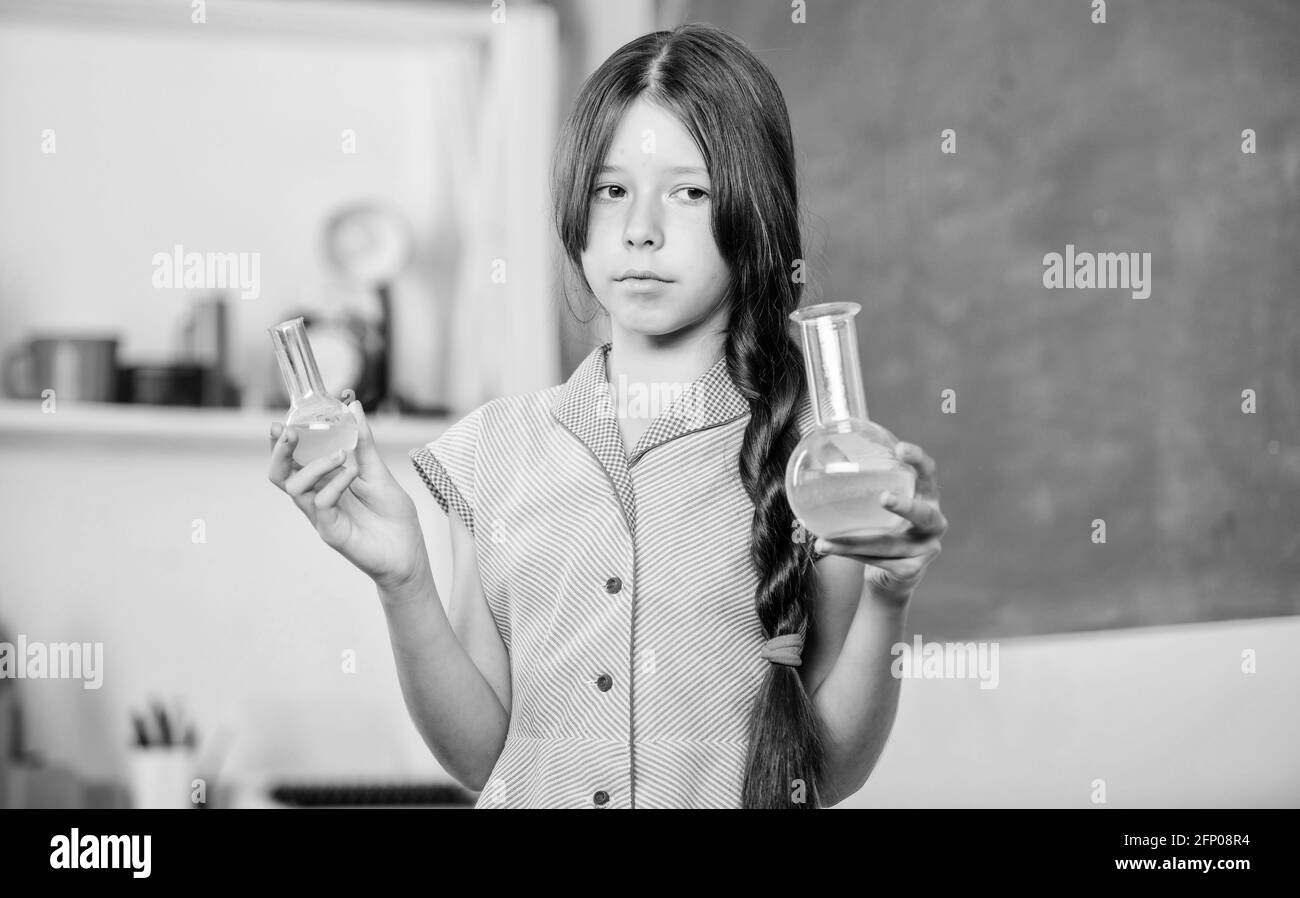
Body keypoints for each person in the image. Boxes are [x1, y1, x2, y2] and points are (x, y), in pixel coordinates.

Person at [267, 22, 946, 809]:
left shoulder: (819, 466)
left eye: (689, 192)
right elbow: (485, 759)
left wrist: (890, 594)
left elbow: (826, 773)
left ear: (753, 214)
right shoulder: (492, 450)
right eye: (611, 190)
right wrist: (404, 581)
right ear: (576, 213)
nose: (640, 229)